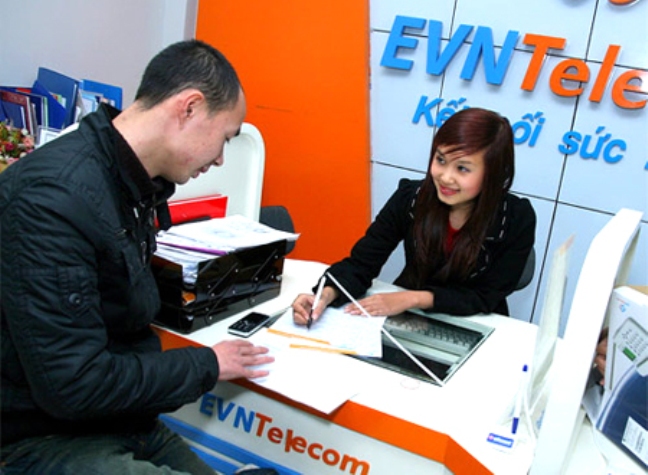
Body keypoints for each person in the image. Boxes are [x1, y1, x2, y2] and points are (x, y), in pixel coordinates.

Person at [1, 40, 276, 475]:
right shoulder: (53, 199)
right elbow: (73, 386)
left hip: (121, 418)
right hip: (41, 436)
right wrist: (207, 364)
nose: (221, 159)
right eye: (224, 139)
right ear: (189, 107)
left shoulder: (129, 184)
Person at [293, 107, 536, 325]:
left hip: (475, 322)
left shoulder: (516, 218)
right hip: (410, 318)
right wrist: (325, 295)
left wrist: (414, 298)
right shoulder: (411, 197)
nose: (445, 177)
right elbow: (362, 263)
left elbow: (485, 296)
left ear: (492, 173)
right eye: (440, 160)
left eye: (462, 168)